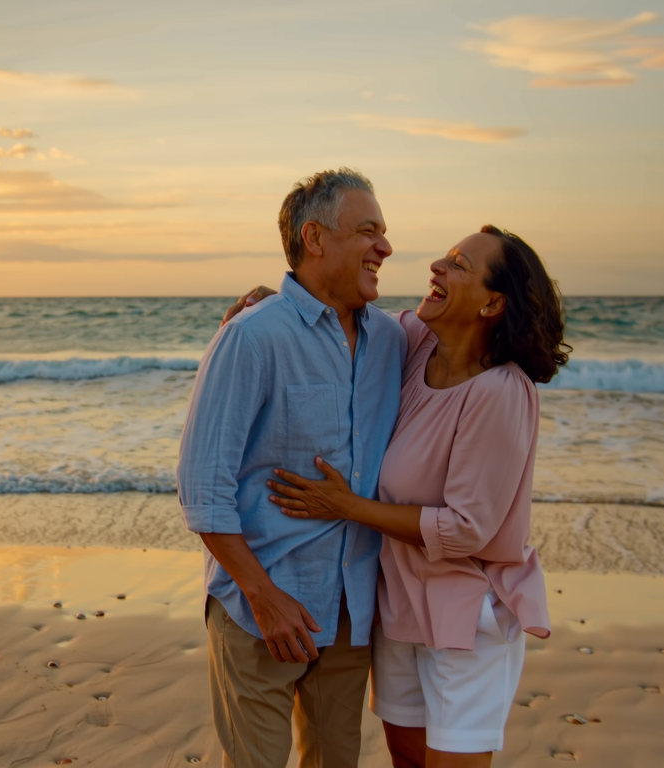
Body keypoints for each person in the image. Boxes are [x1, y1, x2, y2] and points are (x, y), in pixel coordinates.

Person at [232, 225, 569, 768]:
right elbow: (335, 321)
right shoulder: (413, 342)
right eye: (446, 256)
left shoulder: (500, 392)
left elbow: (466, 529)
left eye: (459, 264)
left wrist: (346, 506)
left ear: (492, 304)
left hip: (466, 616)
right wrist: (277, 306)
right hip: (397, 607)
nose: (438, 266)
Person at [176, 168, 408, 768]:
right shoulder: (252, 337)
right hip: (260, 610)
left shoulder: (394, 340)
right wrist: (264, 597)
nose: (385, 247)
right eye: (368, 231)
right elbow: (203, 489)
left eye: (384, 232)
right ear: (315, 237)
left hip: (352, 612)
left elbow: (471, 343)